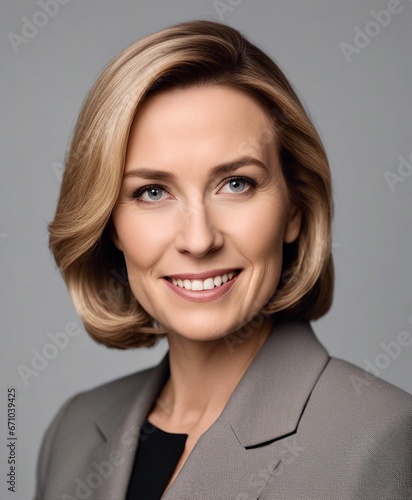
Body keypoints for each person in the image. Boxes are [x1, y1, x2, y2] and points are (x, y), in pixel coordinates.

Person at [34, 20, 411, 500]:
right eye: (152, 192)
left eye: (236, 184)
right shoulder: (74, 431)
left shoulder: (385, 437)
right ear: (110, 225)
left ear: (294, 209)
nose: (198, 238)